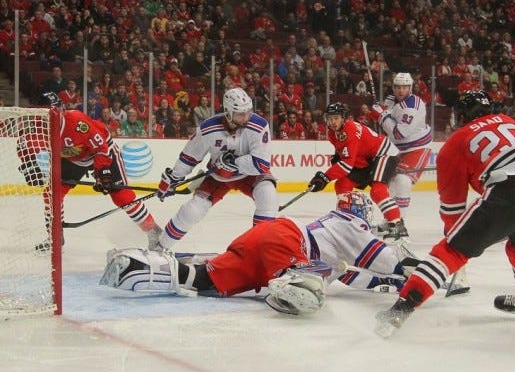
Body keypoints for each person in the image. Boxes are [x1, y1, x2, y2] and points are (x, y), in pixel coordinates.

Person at [375, 90, 515, 336]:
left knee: (450, 250)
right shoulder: (508, 121)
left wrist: (458, 244)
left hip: (511, 189)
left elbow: (452, 210)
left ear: (462, 115)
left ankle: (400, 310)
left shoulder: (454, 143)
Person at [100, 192, 418, 315]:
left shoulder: (333, 227)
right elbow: (392, 263)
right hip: (288, 246)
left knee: (200, 279)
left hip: (268, 236)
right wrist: (425, 275)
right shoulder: (355, 227)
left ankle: (135, 264)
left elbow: (353, 276)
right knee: (311, 292)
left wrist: (383, 284)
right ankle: (286, 281)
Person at [17, 92, 162, 251]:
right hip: (74, 158)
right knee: (52, 193)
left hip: (101, 151)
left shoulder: (77, 122)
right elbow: (24, 146)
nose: (55, 115)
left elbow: (101, 147)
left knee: (122, 197)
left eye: (58, 110)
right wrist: (30, 165)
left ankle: (154, 232)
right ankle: (55, 237)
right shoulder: (35, 127)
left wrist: (103, 173)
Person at [150, 87, 277, 251]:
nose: (246, 117)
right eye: (240, 113)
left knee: (268, 196)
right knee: (192, 211)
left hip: (249, 175)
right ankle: (160, 248)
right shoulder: (208, 128)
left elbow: (261, 164)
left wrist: (235, 163)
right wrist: (173, 178)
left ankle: (261, 249)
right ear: (228, 111)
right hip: (218, 177)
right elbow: (190, 157)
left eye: (248, 111)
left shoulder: (259, 125)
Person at [308, 102, 406, 241]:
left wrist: (325, 177)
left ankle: (397, 225)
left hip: (384, 153)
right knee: (342, 184)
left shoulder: (350, 131)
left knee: (378, 191)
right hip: (365, 159)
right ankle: (347, 222)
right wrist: (338, 156)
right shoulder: (332, 133)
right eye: (330, 118)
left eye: (336, 118)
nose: (333, 121)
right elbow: (347, 154)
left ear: (343, 118)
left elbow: (347, 165)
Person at [372, 72, 432, 237]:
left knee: (402, 180)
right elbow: (389, 114)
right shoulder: (393, 100)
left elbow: (399, 134)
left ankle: (400, 224)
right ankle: (390, 220)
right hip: (398, 150)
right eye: (398, 86)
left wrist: (382, 116)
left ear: (410, 88)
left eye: (404, 87)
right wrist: (382, 110)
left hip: (417, 148)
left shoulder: (412, 107)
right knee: (389, 183)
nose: (400, 90)